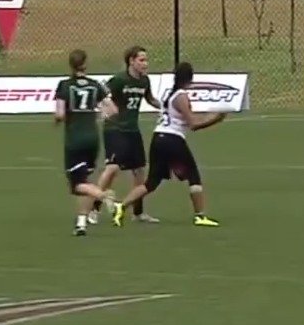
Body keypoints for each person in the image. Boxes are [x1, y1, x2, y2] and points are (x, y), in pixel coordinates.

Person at [111, 62, 224, 228]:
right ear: (190, 78)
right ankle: (200, 216)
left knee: (152, 182)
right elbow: (193, 124)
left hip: (158, 138)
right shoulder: (181, 96)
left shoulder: (169, 94)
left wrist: (208, 117)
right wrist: (215, 119)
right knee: (193, 176)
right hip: (172, 139)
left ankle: (121, 206)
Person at [89, 46, 162, 225]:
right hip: (115, 129)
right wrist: (104, 110)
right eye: (141, 60)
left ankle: (138, 213)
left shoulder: (144, 81)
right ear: (131, 61)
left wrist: (165, 106)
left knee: (139, 172)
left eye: (146, 60)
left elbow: (150, 99)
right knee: (112, 168)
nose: (145, 64)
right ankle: (94, 208)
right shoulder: (119, 80)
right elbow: (99, 94)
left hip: (132, 131)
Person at [53, 49, 118, 237]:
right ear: (85, 64)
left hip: (75, 139)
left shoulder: (64, 85)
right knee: (85, 181)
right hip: (92, 138)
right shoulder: (95, 85)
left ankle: (104, 196)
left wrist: (57, 121)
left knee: (77, 185)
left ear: (71, 65)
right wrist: (98, 116)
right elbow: (113, 110)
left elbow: (60, 114)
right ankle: (81, 223)